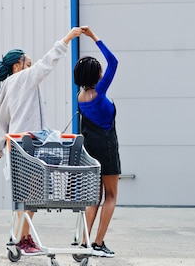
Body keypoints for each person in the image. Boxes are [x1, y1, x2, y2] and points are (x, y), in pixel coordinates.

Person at [0, 27, 84, 256]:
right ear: (17, 66)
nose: (31, 68)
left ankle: (23, 237)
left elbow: (2, 125)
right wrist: (68, 38)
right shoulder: (23, 78)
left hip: (18, 148)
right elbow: (48, 62)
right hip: (31, 149)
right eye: (27, 64)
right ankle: (23, 239)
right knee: (31, 197)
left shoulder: (7, 88)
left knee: (25, 199)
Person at [73, 27, 119, 258]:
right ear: (96, 75)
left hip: (90, 150)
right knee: (111, 195)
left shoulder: (80, 98)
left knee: (94, 197)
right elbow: (114, 61)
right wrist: (94, 37)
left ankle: (84, 243)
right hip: (107, 148)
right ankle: (99, 243)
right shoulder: (99, 94)